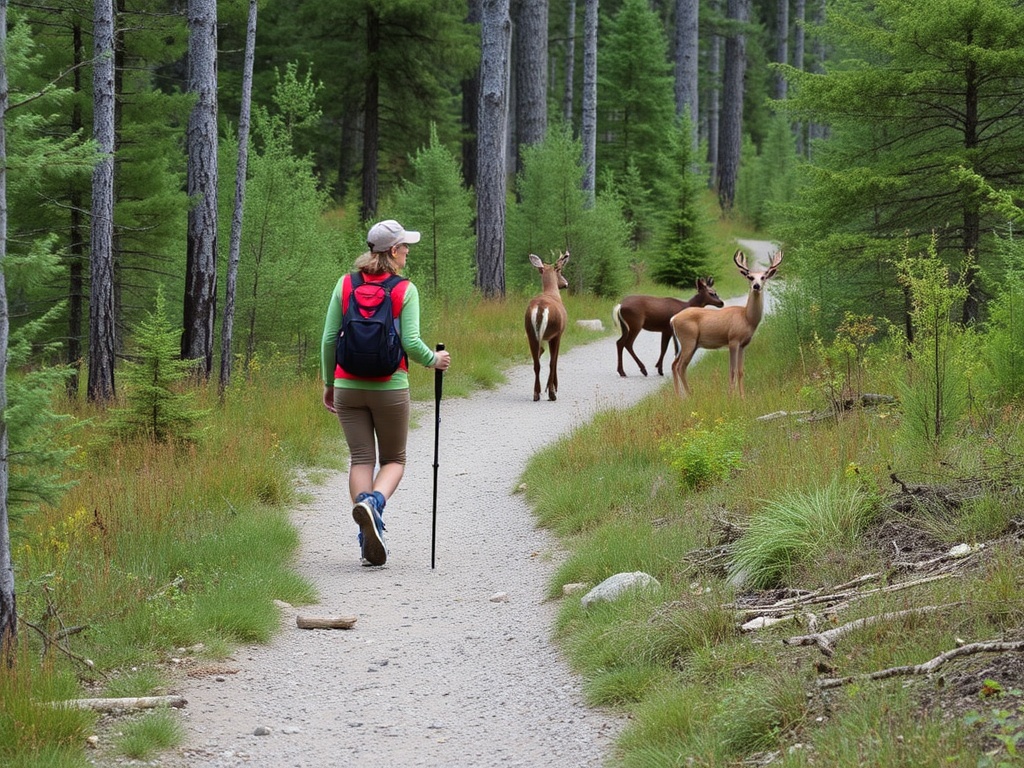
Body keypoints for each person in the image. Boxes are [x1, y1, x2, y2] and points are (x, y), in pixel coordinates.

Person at [321, 219, 451, 566]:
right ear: (393, 251)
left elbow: (330, 339)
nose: (408, 251)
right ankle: (375, 503)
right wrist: (433, 360)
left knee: (361, 458)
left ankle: (366, 534)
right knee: (394, 459)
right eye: (405, 246)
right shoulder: (404, 289)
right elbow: (410, 342)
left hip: (347, 386)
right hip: (390, 386)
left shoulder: (344, 284)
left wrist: (329, 383)